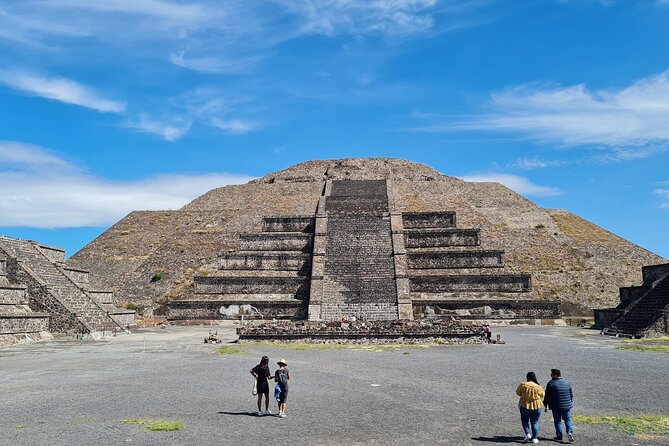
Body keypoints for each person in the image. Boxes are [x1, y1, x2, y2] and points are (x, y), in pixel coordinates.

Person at [544, 369, 574, 443]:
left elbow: (547, 395)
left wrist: (545, 404)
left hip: (556, 406)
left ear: (555, 375)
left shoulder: (551, 383)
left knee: (557, 421)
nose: (550, 375)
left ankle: (559, 436)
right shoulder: (567, 382)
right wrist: (569, 403)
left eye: (551, 374)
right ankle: (569, 432)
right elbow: (571, 394)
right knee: (568, 420)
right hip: (567, 405)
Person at [516, 371, 545, 444]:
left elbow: (518, 393)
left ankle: (527, 434)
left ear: (527, 377)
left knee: (524, 421)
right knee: (535, 422)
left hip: (525, 405)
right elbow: (542, 395)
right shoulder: (538, 386)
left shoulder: (523, 385)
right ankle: (535, 438)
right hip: (537, 406)